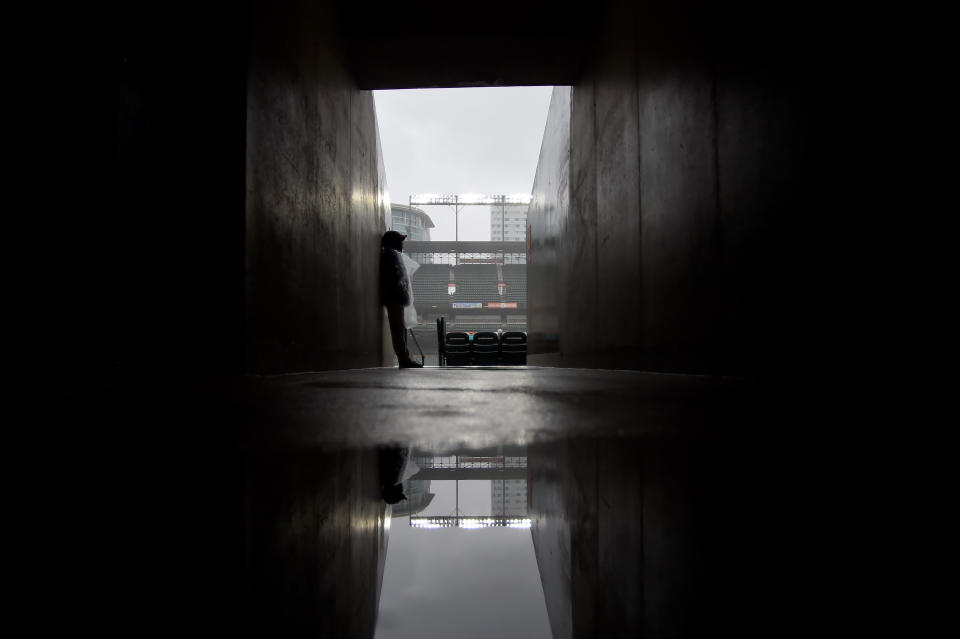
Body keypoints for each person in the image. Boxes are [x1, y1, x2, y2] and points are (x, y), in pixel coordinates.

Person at [380, 230, 423, 368]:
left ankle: (404, 358)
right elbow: (396, 279)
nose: (402, 245)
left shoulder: (391, 255)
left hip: (396, 298)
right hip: (394, 299)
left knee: (399, 329)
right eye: (400, 242)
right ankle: (404, 360)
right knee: (398, 330)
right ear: (394, 243)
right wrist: (403, 296)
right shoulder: (390, 256)